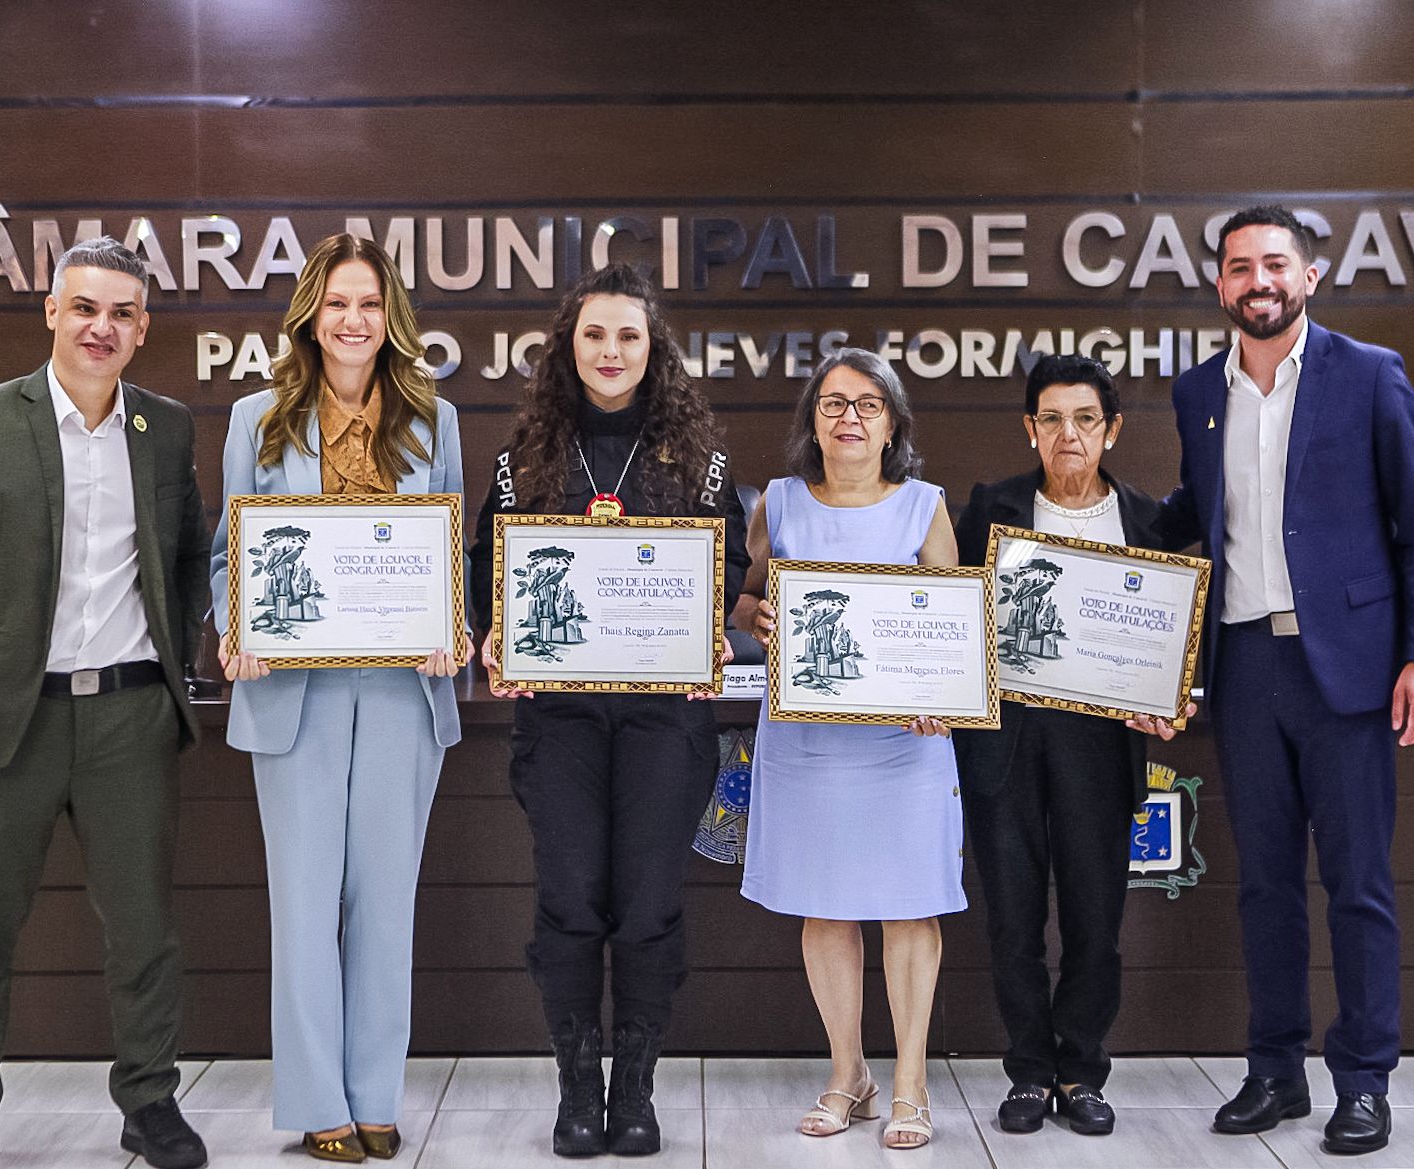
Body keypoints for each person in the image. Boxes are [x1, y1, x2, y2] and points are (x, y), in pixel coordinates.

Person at [0, 238, 210, 1169]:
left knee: (144, 926)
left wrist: (176, 656)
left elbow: (191, 551)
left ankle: (151, 1101)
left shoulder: (167, 427)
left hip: (129, 716)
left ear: (143, 328)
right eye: (85, 308)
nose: (101, 327)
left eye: (121, 313)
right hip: (4, 720)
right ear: (51, 311)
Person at [1162, 206, 1414, 1155]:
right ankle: (1275, 1070)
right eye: (1240, 266)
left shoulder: (1368, 375)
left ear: (1309, 276)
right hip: (1243, 666)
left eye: (1274, 264)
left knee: (1358, 883)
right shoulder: (1197, 392)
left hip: (1353, 672)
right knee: (1265, 888)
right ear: (1218, 285)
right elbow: (1189, 516)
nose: (1258, 281)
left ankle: (1361, 1080)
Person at [469, 262, 748, 1158]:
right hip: (562, 722)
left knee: (647, 903)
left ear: (651, 349)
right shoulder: (524, 463)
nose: (611, 350)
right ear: (569, 346)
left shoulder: (701, 465)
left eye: (629, 335)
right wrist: (495, 635)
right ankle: (576, 1090)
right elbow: (489, 565)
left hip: (665, 720)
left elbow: (728, 566)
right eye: (594, 334)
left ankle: (635, 1088)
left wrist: (708, 624)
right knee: (569, 898)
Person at [211, 233, 468, 1164]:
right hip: (295, 693)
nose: (352, 320)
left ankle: (374, 1093)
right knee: (306, 904)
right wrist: (233, 626)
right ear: (309, 316)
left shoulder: (431, 419)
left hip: (403, 693)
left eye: (368, 303)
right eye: (336, 303)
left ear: (390, 317)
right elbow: (227, 552)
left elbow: (450, 560)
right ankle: (319, 1097)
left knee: (384, 906)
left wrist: (457, 629)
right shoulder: (257, 418)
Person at [953, 353, 1192, 1138]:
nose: (1067, 434)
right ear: (1030, 428)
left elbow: (1172, 637)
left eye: (1084, 418)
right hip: (1004, 745)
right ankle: (1028, 1070)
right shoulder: (990, 507)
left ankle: (1080, 1068)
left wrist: (1170, 698)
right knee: (1013, 921)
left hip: (1101, 745)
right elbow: (955, 622)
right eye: (1050, 418)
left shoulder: (1148, 520)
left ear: (1111, 429)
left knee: (1095, 918)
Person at [730, 348, 959, 1151]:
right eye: (831, 403)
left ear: (891, 421)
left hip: (903, 746)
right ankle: (847, 1073)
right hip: (807, 742)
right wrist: (751, 614)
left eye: (866, 404)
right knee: (823, 904)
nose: (849, 417)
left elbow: (956, 625)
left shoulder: (923, 505)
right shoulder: (779, 503)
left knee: (908, 906)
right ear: (811, 421)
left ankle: (908, 1083)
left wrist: (943, 699)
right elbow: (748, 595)